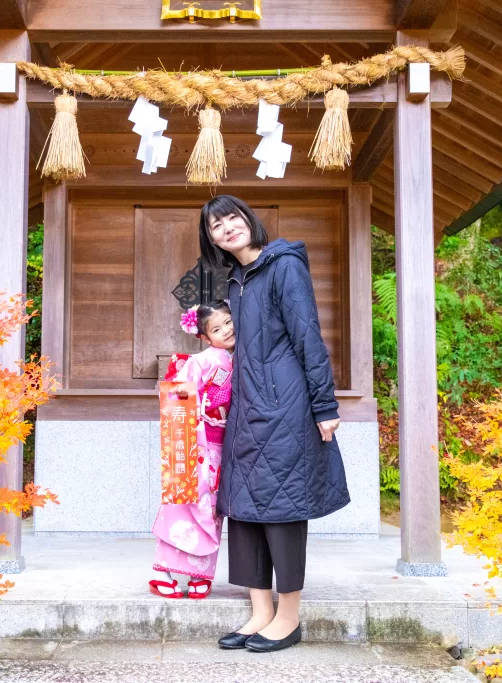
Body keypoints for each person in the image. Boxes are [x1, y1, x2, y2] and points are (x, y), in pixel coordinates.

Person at [199, 195, 350, 652]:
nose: (227, 228)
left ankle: (288, 618)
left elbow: (308, 335)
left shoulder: (283, 266)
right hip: (247, 409)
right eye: (216, 226)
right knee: (243, 510)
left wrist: (324, 405)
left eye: (232, 218)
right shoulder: (237, 280)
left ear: (248, 220)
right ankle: (260, 612)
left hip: (286, 406)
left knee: (283, 509)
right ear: (212, 239)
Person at [149, 300, 235, 600]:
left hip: (222, 447)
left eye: (228, 322)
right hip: (195, 446)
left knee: (211, 511)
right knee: (181, 506)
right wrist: (195, 441)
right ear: (203, 336)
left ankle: (201, 574)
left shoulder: (238, 360)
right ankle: (162, 571)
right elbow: (180, 405)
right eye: (216, 328)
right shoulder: (199, 362)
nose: (226, 330)